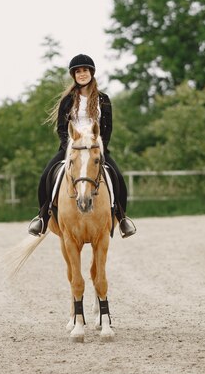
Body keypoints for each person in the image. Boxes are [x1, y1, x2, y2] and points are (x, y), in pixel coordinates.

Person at [28, 54, 137, 238]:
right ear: (74, 75)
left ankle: (122, 218)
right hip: (73, 148)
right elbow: (62, 128)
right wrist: (68, 146)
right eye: (78, 71)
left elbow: (107, 128)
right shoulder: (67, 100)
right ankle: (42, 219)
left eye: (85, 70)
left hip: (95, 148)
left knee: (117, 177)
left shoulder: (104, 99)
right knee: (46, 176)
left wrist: (100, 147)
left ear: (91, 72)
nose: (82, 74)